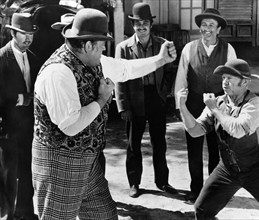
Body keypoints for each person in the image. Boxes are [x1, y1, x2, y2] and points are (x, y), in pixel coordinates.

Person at [33, 8, 176, 219]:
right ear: (88, 45)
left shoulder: (93, 59)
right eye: (101, 47)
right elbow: (70, 125)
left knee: (105, 215)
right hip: (59, 164)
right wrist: (101, 100)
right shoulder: (58, 72)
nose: (103, 52)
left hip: (89, 162)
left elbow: (126, 69)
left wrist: (161, 60)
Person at [176, 59, 259, 220]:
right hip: (227, 170)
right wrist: (182, 106)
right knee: (202, 210)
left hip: (256, 170)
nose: (225, 82)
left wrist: (215, 109)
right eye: (223, 78)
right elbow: (195, 131)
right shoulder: (218, 102)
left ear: (245, 82)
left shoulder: (254, 104)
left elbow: (237, 130)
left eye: (230, 79)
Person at [114, 2, 177, 198]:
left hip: (155, 98)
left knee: (160, 143)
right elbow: (119, 77)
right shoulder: (123, 48)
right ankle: (134, 183)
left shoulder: (162, 44)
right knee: (134, 144)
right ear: (132, 25)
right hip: (134, 100)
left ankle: (163, 182)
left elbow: (169, 71)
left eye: (145, 23)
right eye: (137, 23)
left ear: (151, 24)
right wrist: (123, 106)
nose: (141, 27)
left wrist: (163, 92)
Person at [174, 8, 237, 204]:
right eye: (203, 25)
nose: (206, 29)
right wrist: (180, 104)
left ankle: (213, 192)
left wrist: (230, 107)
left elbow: (233, 80)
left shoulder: (228, 50)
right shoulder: (189, 48)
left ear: (218, 29)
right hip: (193, 102)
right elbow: (181, 78)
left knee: (216, 149)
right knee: (194, 147)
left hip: (218, 103)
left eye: (211, 25)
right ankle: (195, 190)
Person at [0, 13, 40, 220]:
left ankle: (26, 213)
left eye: (31, 34)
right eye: (23, 34)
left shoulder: (33, 57)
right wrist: (21, 98)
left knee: (27, 172)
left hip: (28, 128)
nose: (28, 38)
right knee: (8, 177)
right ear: (13, 33)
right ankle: (8, 216)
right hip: (7, 129)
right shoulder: (1, 58)